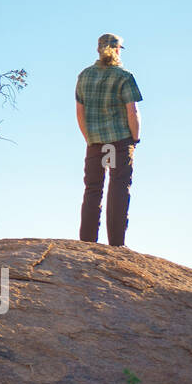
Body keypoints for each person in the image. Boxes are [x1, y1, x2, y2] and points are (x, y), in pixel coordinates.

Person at [75, 33, 142, 246]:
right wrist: (135, 138)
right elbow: (132, 112)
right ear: (117, 50)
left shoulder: (84, 76)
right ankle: (116, 244)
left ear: (98, 49)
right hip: (121, 141)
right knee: (119, 188)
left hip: (95, 143)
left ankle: (87, 243)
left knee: (93, 189)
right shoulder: (124, 76)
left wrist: (89, 139)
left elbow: (80, 112)